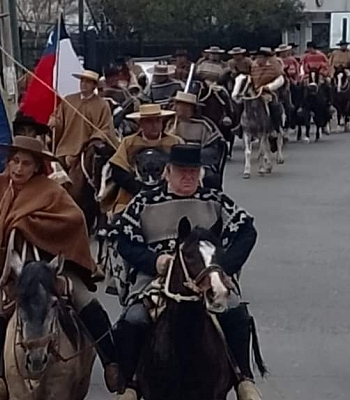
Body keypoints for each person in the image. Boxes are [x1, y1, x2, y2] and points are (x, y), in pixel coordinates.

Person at [112, 144, 261, 400]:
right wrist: (154, 260)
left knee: (236, 312)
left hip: (206, 276)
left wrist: (222, 267)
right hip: (157, 278)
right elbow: (123, 239)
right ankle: (130, 384)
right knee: (133, 319)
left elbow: (247, 231)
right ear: (167, 172)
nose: (188, 177)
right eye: (182, 171)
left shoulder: (215, 200)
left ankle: (242, 378)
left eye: (194, 171)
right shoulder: (144, 202)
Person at [0, 136, 120, 400]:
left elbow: (74, 219)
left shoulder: (51, 191)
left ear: (37, 167)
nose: (19, 168)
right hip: (14, 274)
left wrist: (28, 225)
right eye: (15, 162)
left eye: (26, 163)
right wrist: (6, 239)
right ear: (9, 163)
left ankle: (112, 364)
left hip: (53, 269)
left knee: (89, 304)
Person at [102, 104, 183, 218]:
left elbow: (183, 168)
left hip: (169, 192)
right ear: (141, 123)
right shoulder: (128, 142)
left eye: (157, 121)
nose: (154, 125)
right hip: (132, 195)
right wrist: (138, 188)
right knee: (117, 217)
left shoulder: (175, 142)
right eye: (149, 121)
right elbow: (118, 169)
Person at [47, 70, 120, 170]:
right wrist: (55, 122)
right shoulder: (69, 100)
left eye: (88, 82)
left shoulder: (102, 104)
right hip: (65, 146)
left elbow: (105, 127)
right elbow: (58, 118)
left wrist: (95, 138)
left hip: (87, 148)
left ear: (94, 86)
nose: (83, 84)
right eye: (82, 81)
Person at [164, 92, 225, 189]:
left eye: (178, 105)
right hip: (171, 163)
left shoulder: (204, 126)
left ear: (188, 108)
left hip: (197, 164)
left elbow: (213, 151)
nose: (174, 107)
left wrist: (191, 156)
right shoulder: (169, 123)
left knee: (210, 179)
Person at [251, 47, 286, 132]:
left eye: (261, 57)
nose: (258, 59)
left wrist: (268, 87)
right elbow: (251, 79)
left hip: (270, 91)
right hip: (255, 91)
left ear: (266, 57)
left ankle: (276, 126)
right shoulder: (254, 67)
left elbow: (280, 79)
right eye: (257, 57)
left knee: (274, 105)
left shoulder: (274, 65)